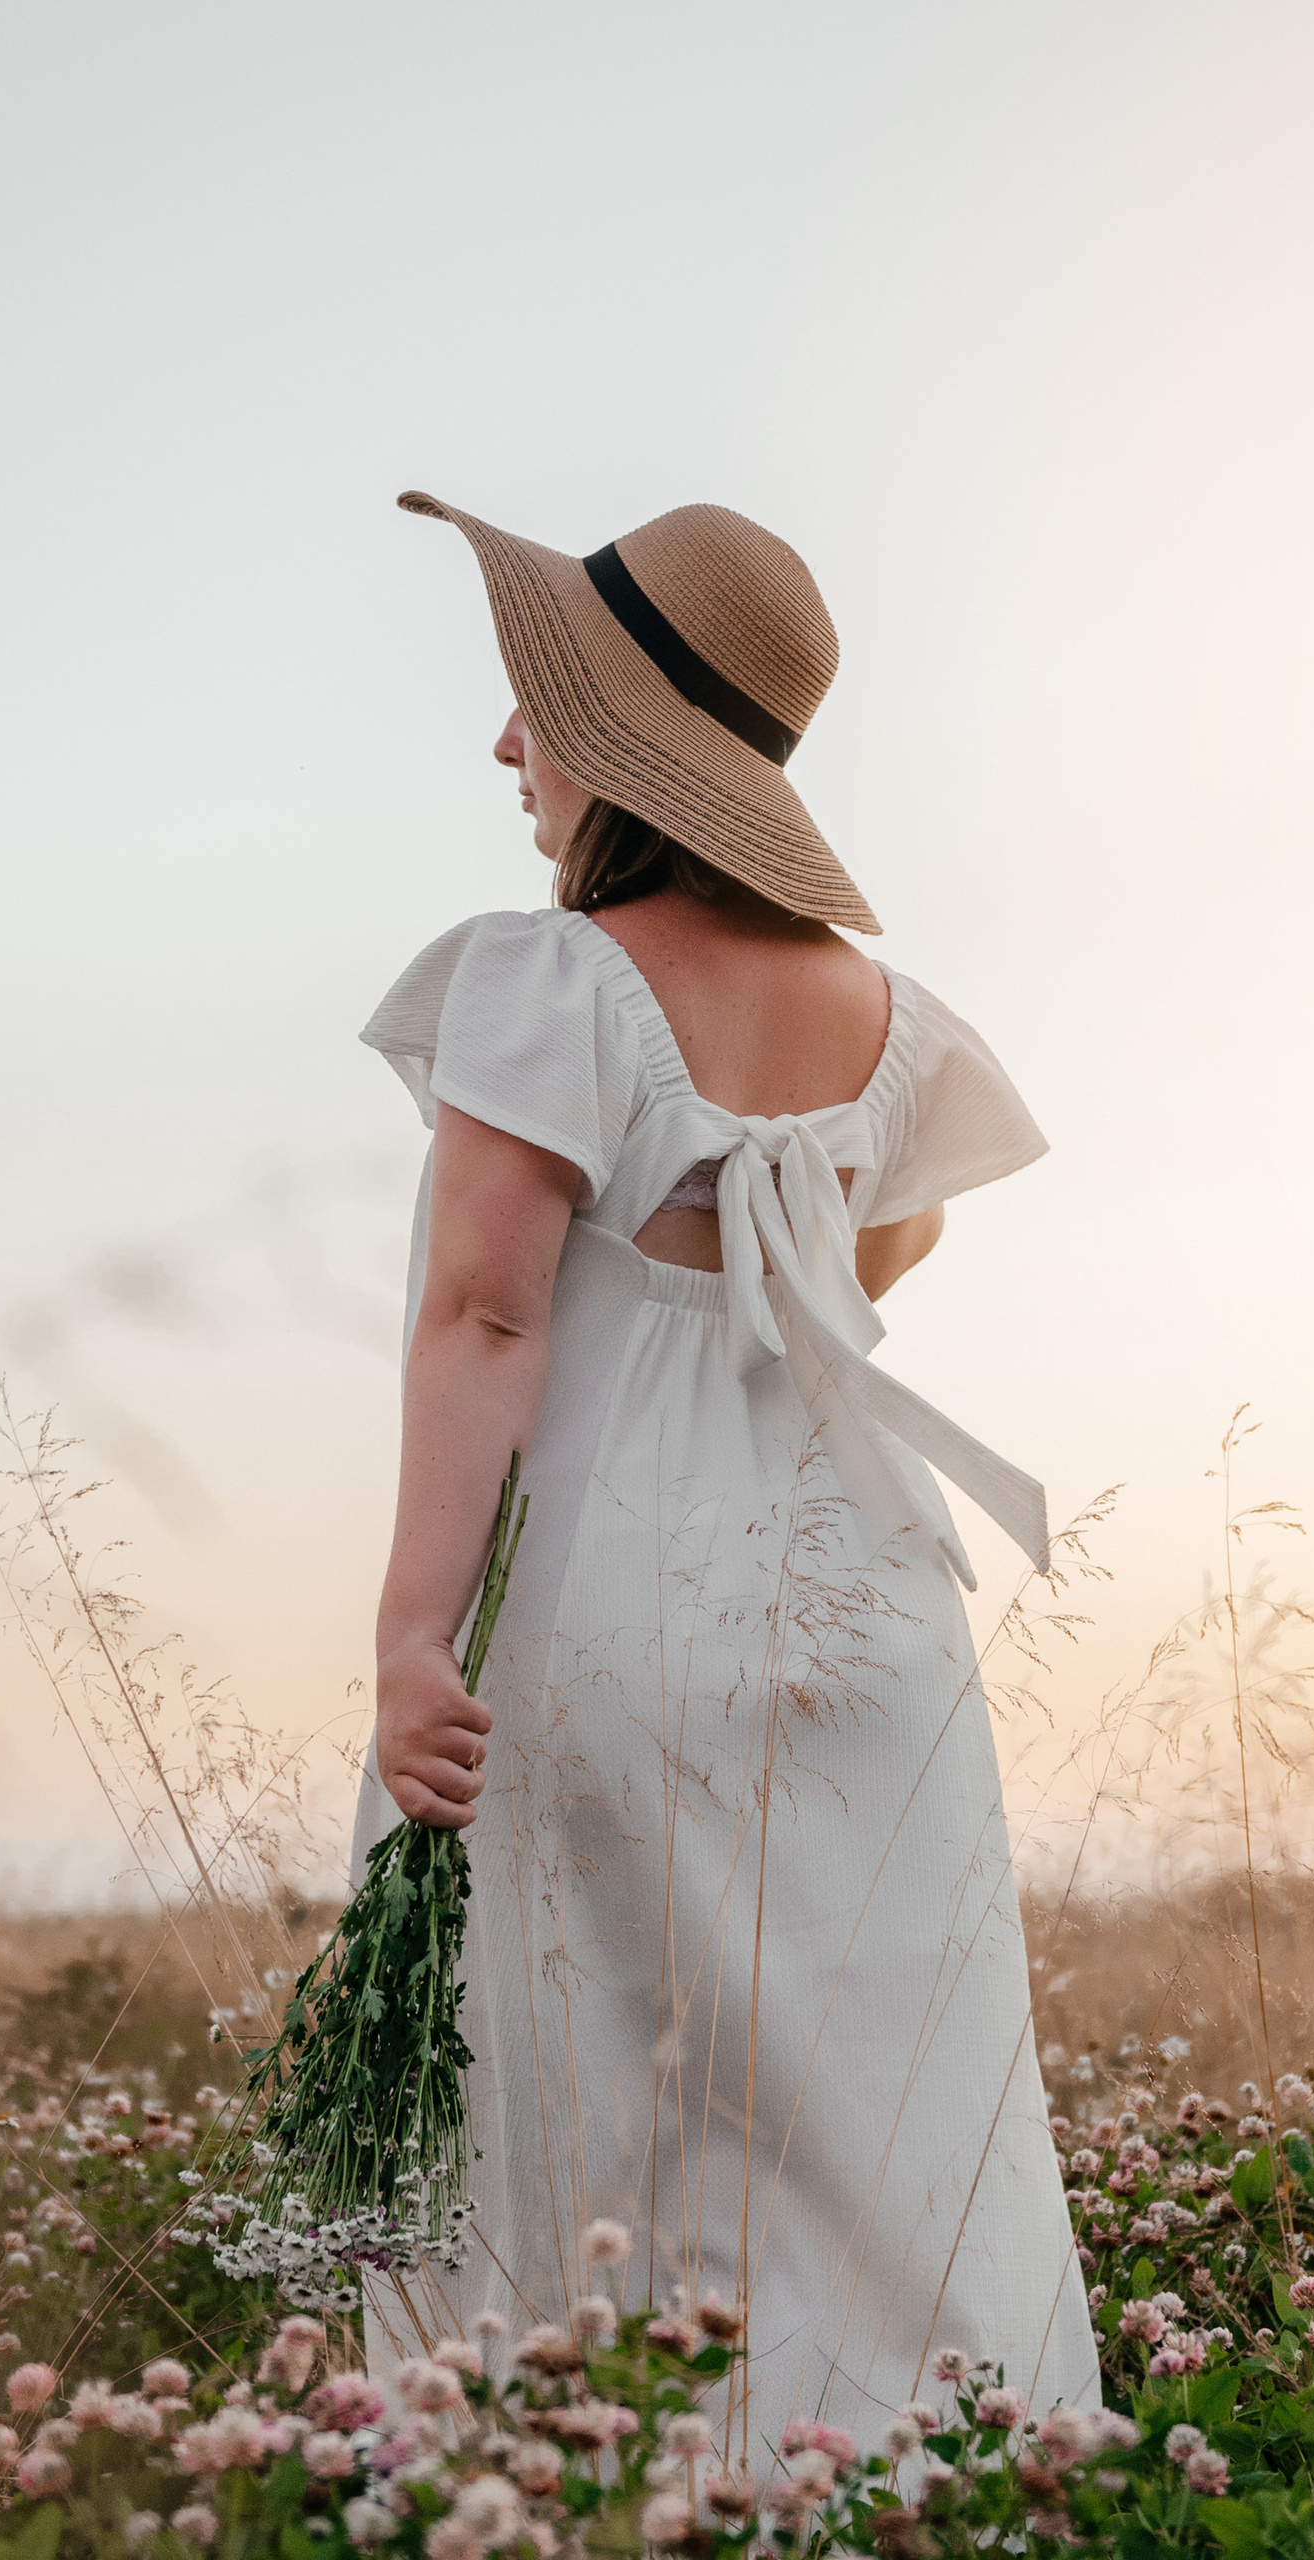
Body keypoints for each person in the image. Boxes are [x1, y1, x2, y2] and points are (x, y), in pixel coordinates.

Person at [354, 489, 1100, 2439]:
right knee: (868, 2081)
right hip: (856, 1602)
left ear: (612, 744)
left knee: (571, 2069)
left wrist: (413, 1628)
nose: (508, 745)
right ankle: (919, 2465)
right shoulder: (886, 1020)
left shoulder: (552, 981)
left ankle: (575, 2463)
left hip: (597, 1585)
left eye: (535, 709)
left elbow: (487, 1317)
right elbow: (862, 1270)